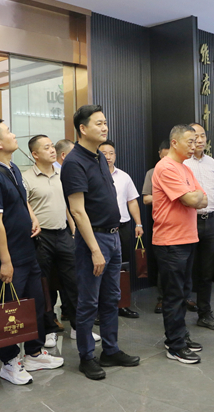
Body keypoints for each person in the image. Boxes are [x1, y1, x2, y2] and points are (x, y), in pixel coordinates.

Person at [0, 118, 63, 386]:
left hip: (28, 251)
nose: (14, 135)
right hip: (8, 258)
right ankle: (10, 362)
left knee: (35, 304)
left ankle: (34, 353)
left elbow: (22, 200)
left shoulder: (13, 168)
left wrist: (32, 217)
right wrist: (5, 261)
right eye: (8, 132)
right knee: (10, 311)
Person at [61, 105, 140, 380]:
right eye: (98, 123)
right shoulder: (74, 162)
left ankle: (111, 350)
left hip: (114, 236)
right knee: (88, 302)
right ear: (82, 129)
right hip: (93, 240)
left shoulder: (99, 158)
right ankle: (86, 357)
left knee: (111, 298)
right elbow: (77, 210)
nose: (104, 127)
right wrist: (95, 249)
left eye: (105, 122)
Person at [23, 134, 101, 345]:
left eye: (52, 146)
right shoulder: (26, 178)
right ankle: (49, 329)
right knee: (44, 285)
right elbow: (25, 206)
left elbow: (70, 205)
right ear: (35, 154)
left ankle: (78, 327)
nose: (52, 150)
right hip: (41, 237)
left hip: (64, 233)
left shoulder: (62, 173)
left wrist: (74, 231)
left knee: (74, 282)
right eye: (46, 147)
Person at [152, 124, 206, 365]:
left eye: (196, 141)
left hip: (188, 238)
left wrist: (194, 197)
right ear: (174, 142)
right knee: (174, 295)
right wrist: (193, 196)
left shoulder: (185, 168)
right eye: (190, 141)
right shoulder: (165, 167)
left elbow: (203, 199)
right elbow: (192, 198)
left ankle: (179, 335)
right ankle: (175, 346)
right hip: (170, 241)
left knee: (184, 292)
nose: (194, 146)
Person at [184, 123, 214, 331]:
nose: (199, 140)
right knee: (185, 268)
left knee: (206, 270)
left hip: (210, 221)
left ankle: (205, 313)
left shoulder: (211, 162)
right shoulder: (183, 163)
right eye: (195, 137)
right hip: (188, 220)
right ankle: (178, 316)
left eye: (202, 136)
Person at [98, 139, 143, 319]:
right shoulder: (93, 175)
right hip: (100, 230)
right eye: (104, 153)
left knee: (122, 268)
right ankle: (100, 309)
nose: (108, 157)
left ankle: (121, 305)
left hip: (122, 228)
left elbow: (132, 201)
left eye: (111, 153)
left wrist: (138, 223)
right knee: (100, 269)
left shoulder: (124, 176)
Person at [142, 140, 171, 314]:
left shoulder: (182, 171)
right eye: (164, 156)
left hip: (183, 226)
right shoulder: (152, 173)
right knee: (164, 265)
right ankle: (161, 299)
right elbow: (146, 199)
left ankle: (185, 296)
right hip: (162, 225)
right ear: (159, 154)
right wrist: (169, 197)